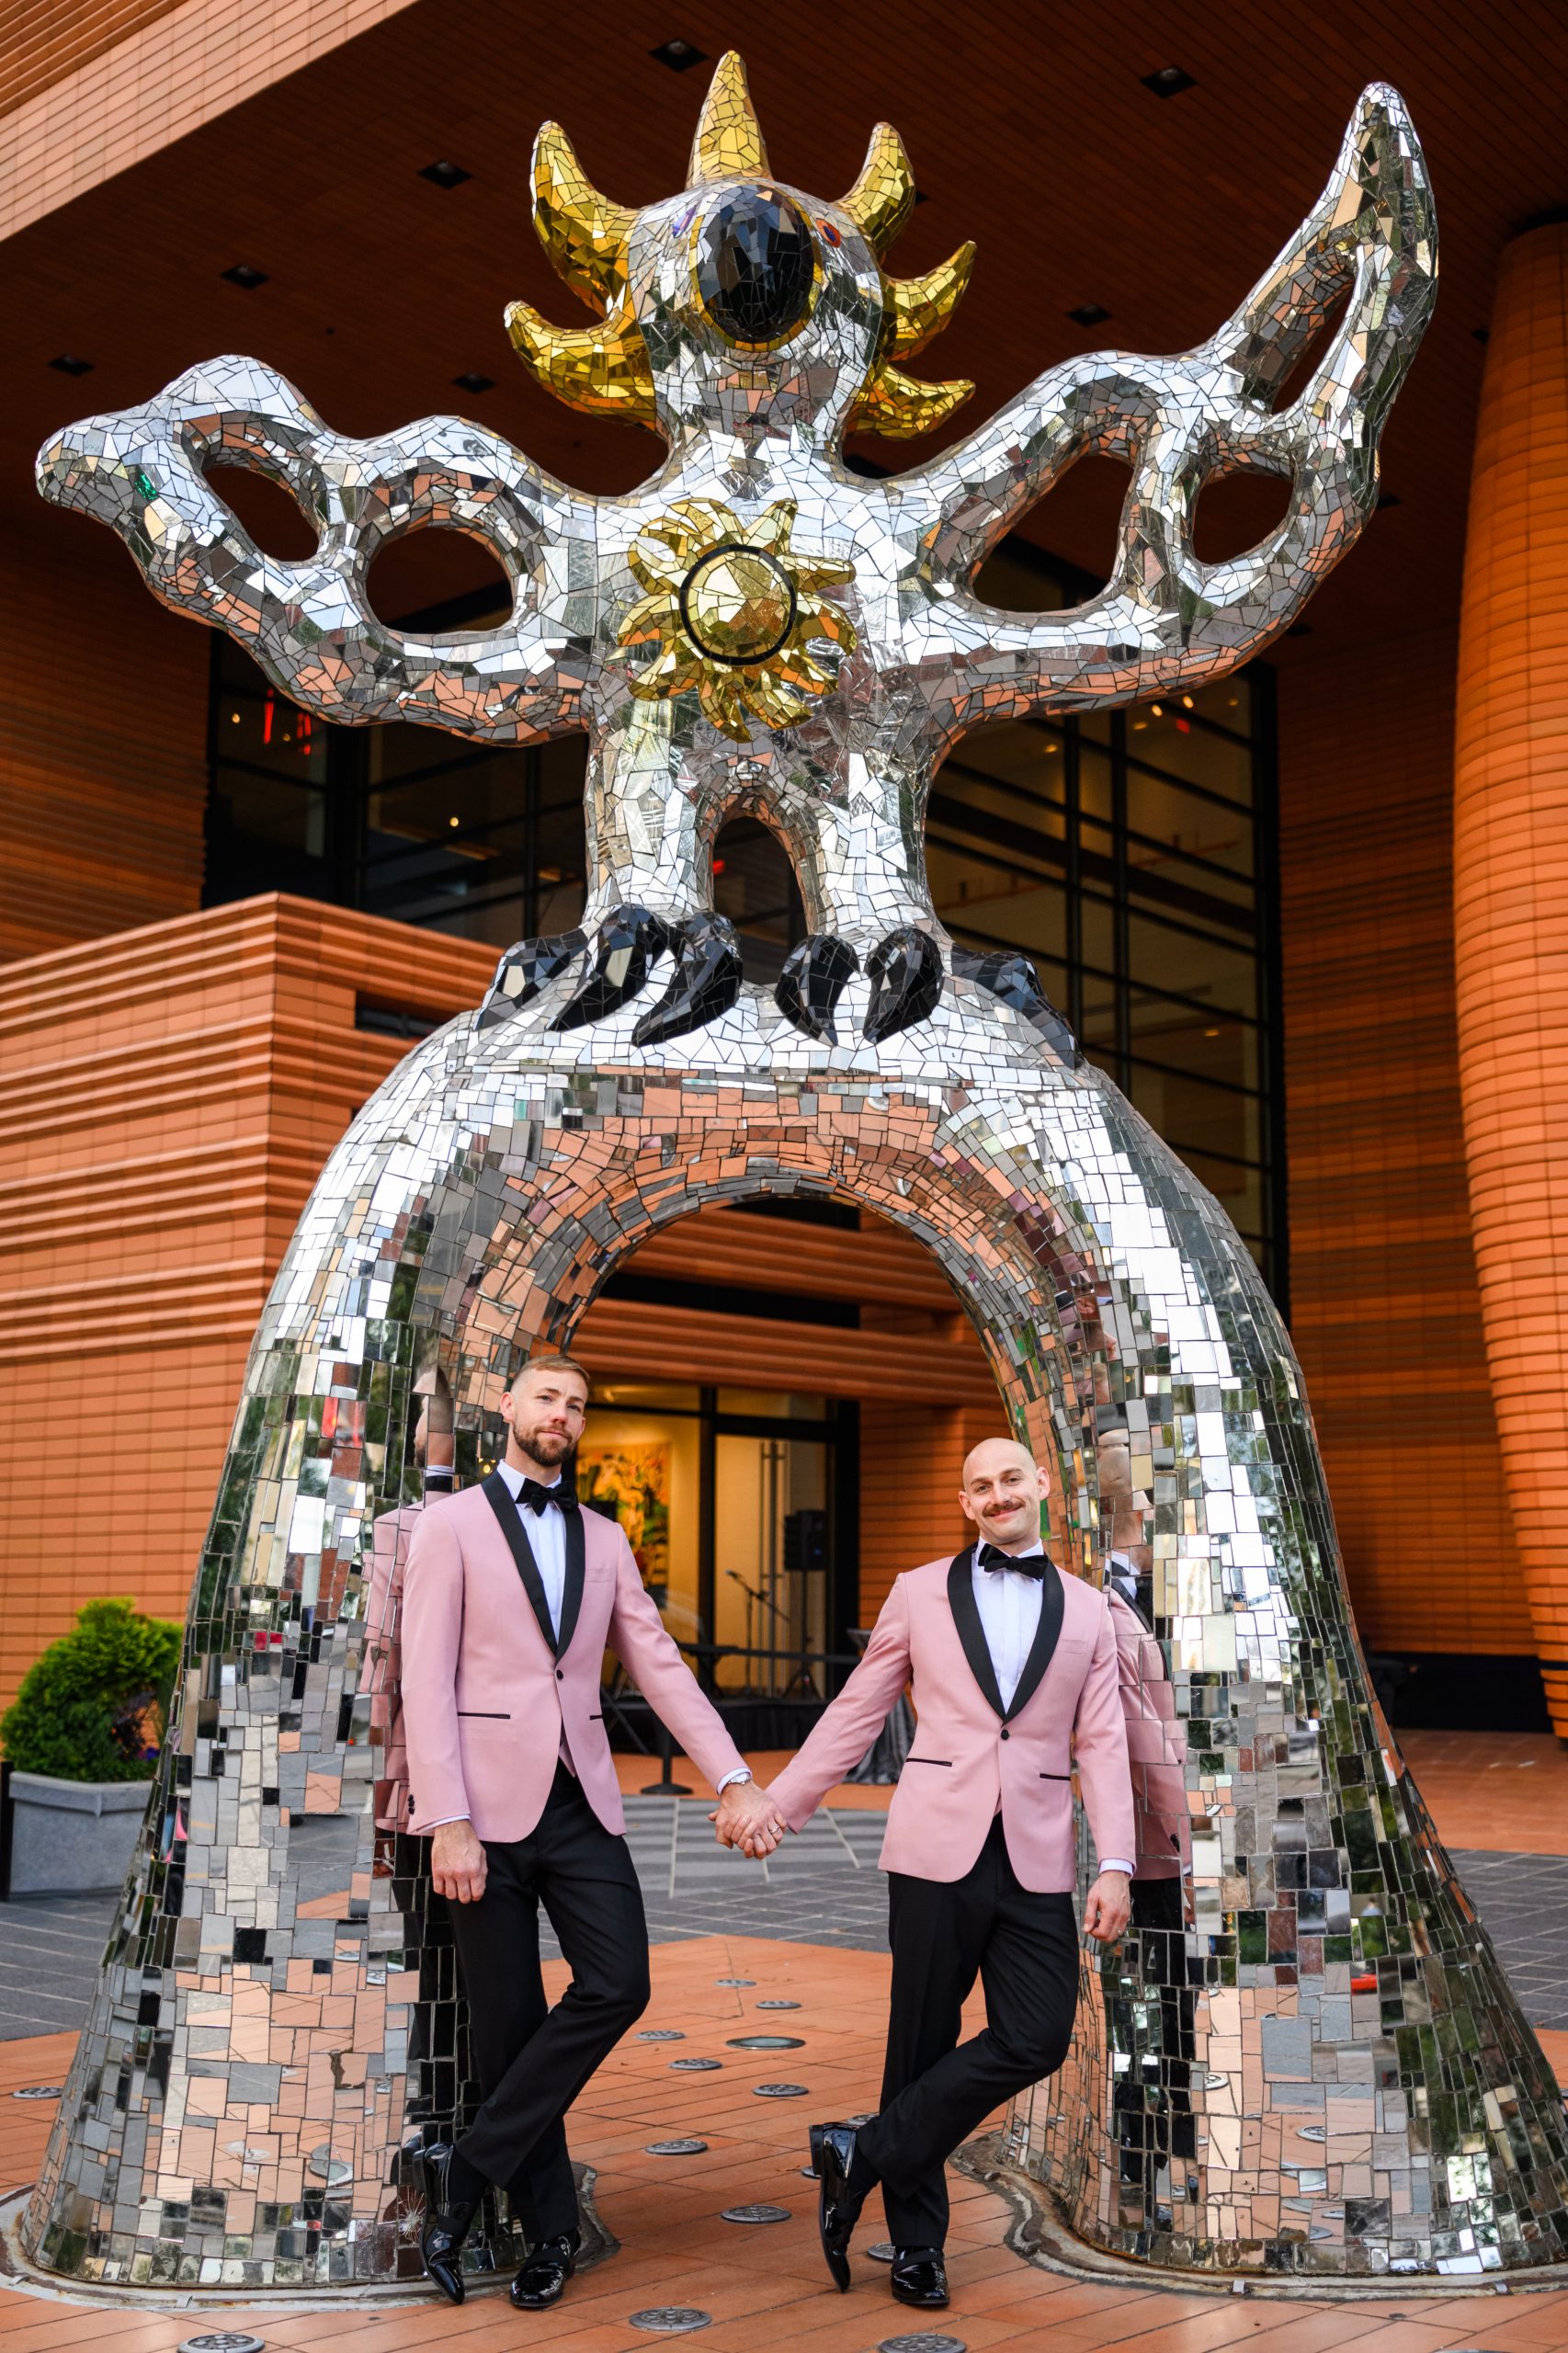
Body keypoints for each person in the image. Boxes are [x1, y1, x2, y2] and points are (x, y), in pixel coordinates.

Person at [400, 1352, 780, 2311]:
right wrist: (447, 1820)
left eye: (575, 1405)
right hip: (479, 1814)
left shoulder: (606, 1538)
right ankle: (551, 2234)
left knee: (619, 1981)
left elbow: (659, 1665)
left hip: (580, 1801)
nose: (561, 1414)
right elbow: (423, 1680)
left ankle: (468, 2170)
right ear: (508, 1407)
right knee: (507, 2028)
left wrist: (733, 1775)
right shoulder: (449, 1525)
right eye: (546, 1397)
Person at [734, 1435, 1135, 2312]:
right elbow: (859, 1709)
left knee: (1038, 2036)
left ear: (1039, 1485)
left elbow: (1103, 1740)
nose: (997, 1496)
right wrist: (782, 1805)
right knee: (918, 2043)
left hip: (1036, 1853)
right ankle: (917, 2247)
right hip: (931, 1849)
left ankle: (863, 2153)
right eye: (979, 1486)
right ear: (964, 1503)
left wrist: (1114, 1863)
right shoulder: (918, 1591)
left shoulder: (1088, 1609)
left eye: (1010, 1480)